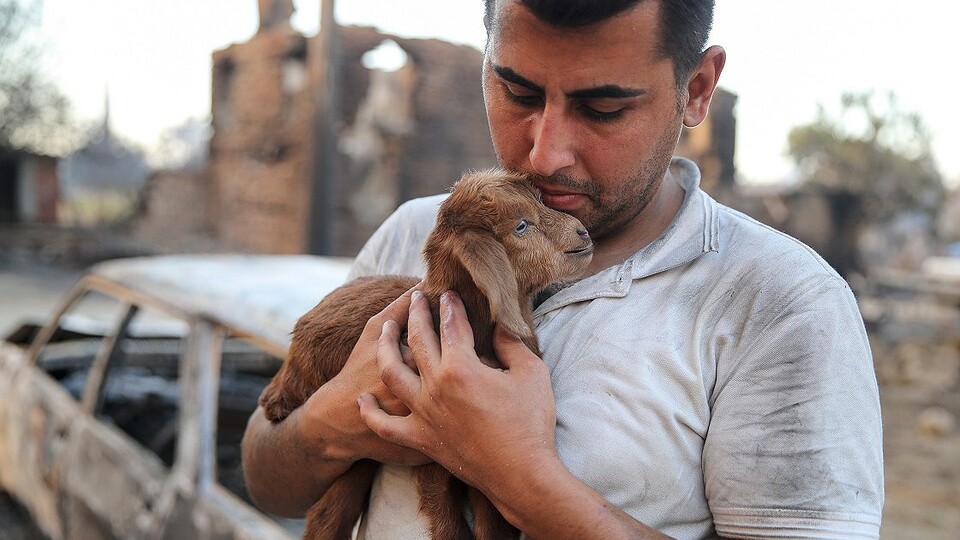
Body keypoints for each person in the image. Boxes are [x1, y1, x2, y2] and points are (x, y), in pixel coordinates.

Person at [241, 0, 885, 538]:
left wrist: (520, 476)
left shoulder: (776, 303)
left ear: (697, 89)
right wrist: (334, 422)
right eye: (516, 91)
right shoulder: (421, 231)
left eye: (603, 108)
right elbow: (267, 476)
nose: (545, 153)